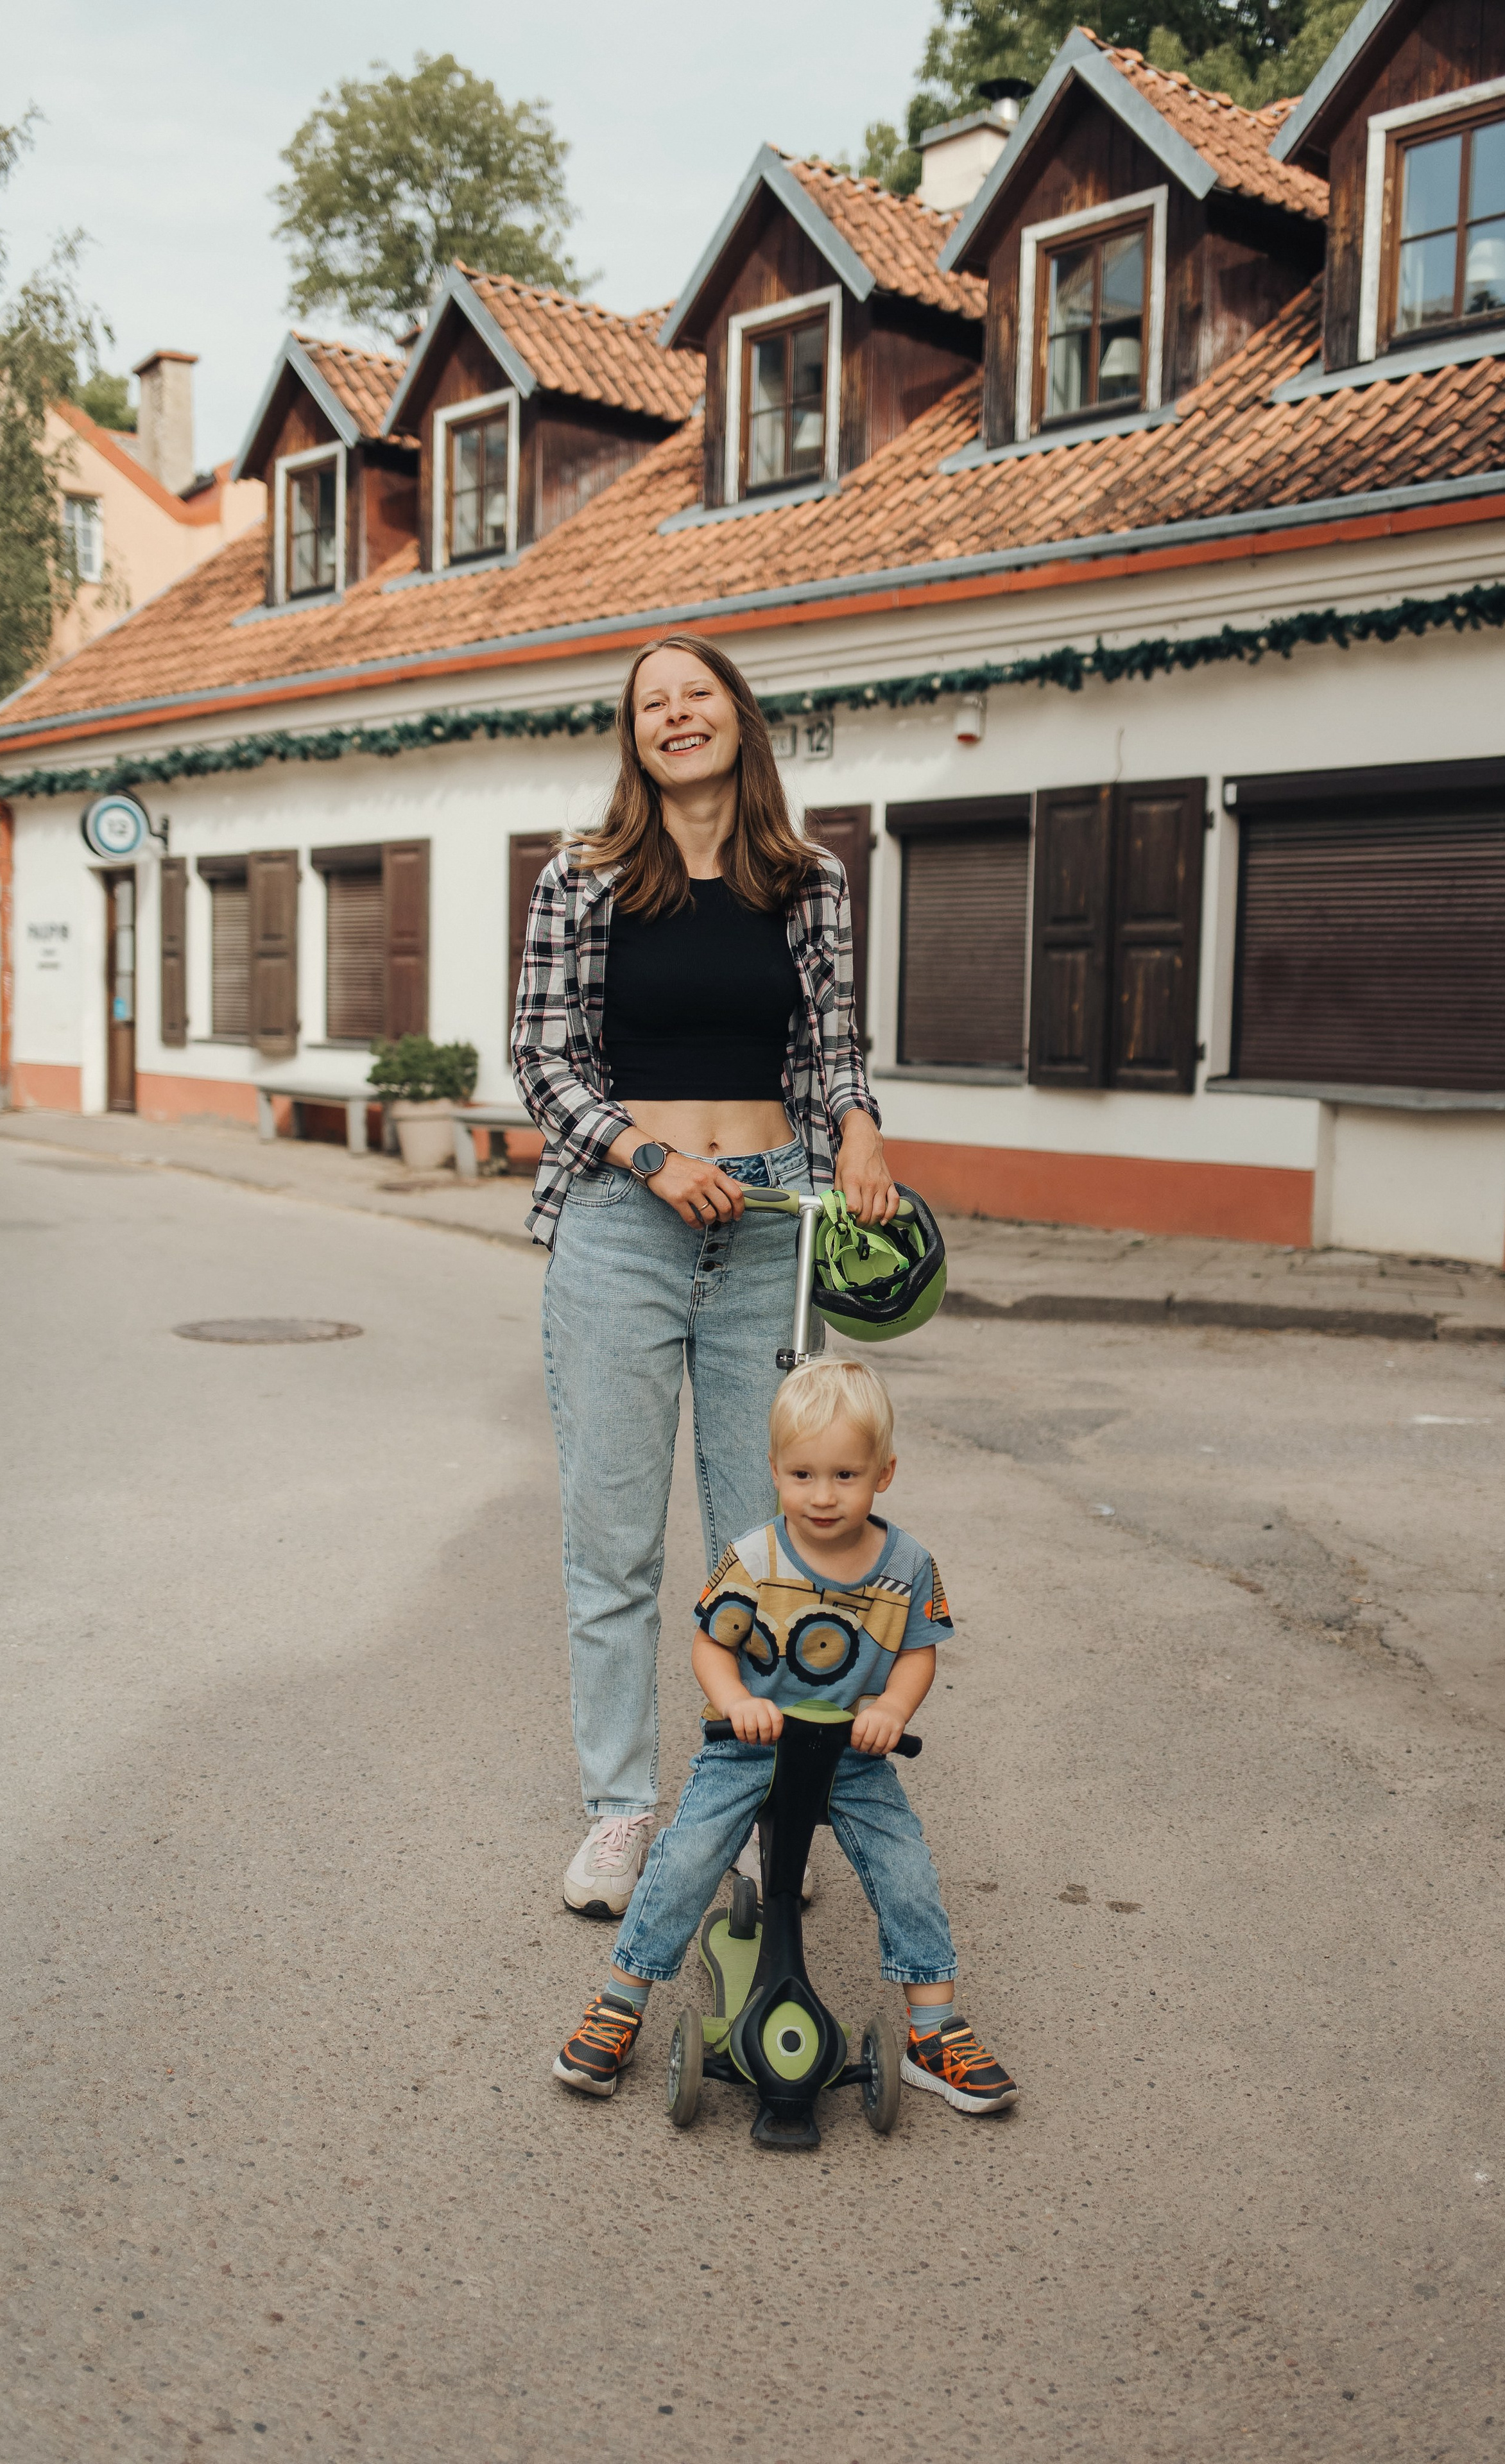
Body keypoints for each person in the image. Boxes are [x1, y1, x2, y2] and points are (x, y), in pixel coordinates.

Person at [512, 632, 897, 1919]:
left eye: (698, 694)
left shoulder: (808, 881)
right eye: (651, 705)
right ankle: (621, 1812)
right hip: (620, 1225)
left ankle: (741, 1810)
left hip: (773, 1225)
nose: (676, 715)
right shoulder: (583, 878)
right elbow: (541, 1058)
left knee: (769, 1546)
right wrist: (648, 1156)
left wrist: (858, 1129)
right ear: (634, 739)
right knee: (614, 1546)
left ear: (738, 716)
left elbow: (833, 1047)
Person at [551, 1358, 1019, 2117]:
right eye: (803, 1475)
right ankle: (620, 2002)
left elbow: (917, 1652)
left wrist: (892, 1710)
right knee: (686, 1856)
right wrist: (736, 1700)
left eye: (845, 1475)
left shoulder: (907, 1566)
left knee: (905, 1868)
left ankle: (934, 2033)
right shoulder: (755, 1559)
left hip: (851, 1752)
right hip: (751, 1746)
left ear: (884, 1474)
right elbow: (712, 1644)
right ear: (774, 1472)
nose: (823, 1496)